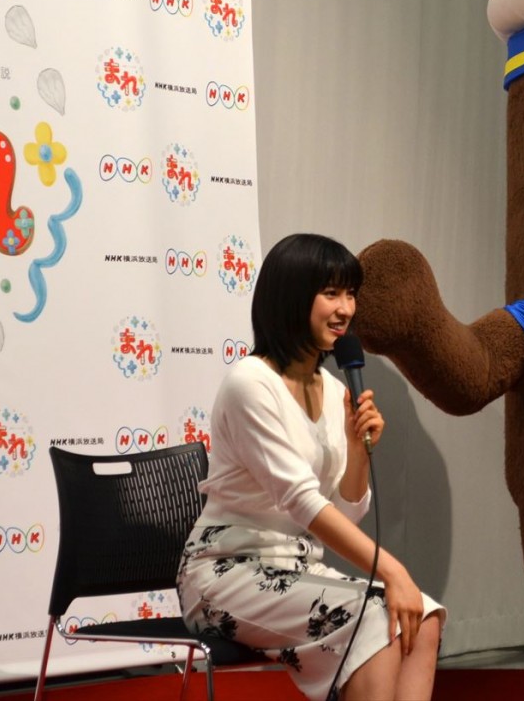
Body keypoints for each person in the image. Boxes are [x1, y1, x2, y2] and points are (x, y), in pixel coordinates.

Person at [178, 233, 445, 701]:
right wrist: (392, 571)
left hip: (298, 567)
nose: (345, 309)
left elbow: (342, 517)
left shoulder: (333, 385)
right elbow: (302, 502)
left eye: (350, 294)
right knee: (375, 618)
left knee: (421, 618)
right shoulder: (250, 384)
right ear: (291, 297)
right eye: (331, 294)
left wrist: (356, 450)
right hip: (225, 573)